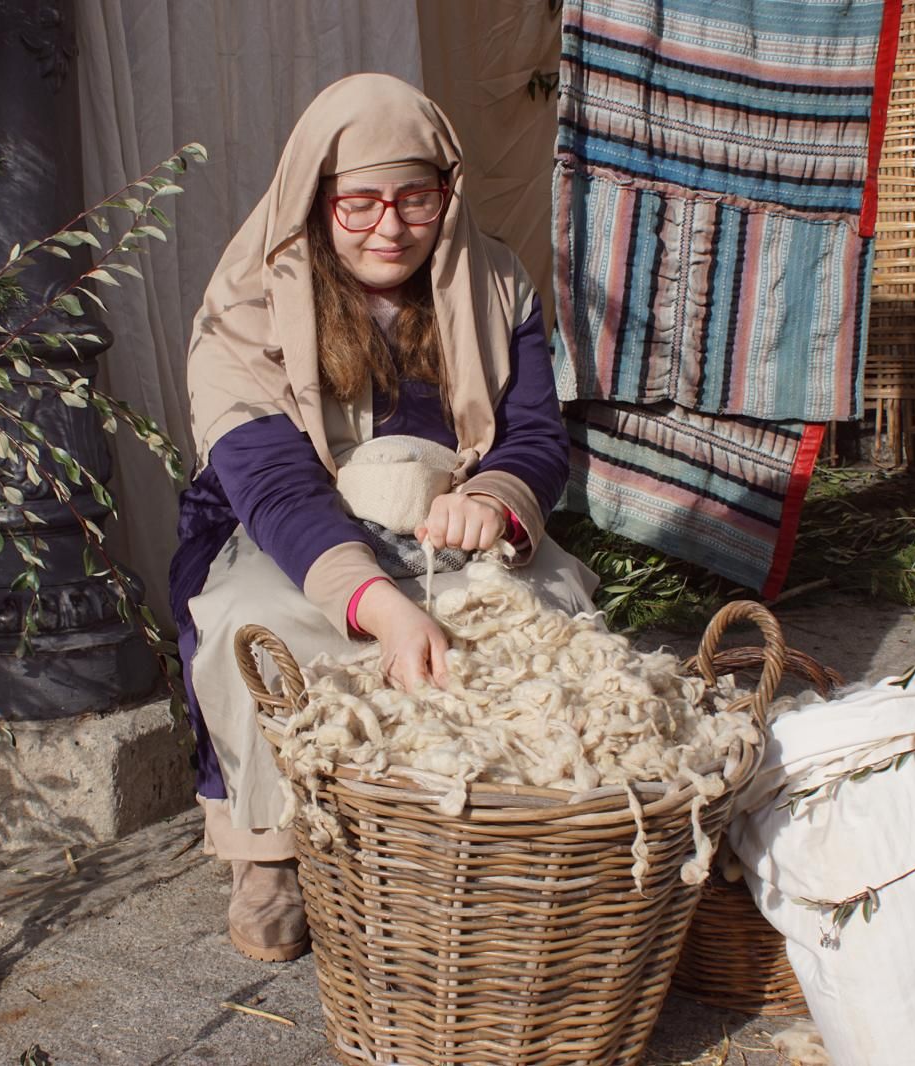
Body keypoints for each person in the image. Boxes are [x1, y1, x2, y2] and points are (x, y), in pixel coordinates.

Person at [169, 73, 597, 963]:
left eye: (415, 199)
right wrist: (380, 602)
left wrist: (494, 498)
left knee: (554, 609)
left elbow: (533, 436)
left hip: (448, 524)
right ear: (316, 198)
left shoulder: (497, 282)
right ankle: (272, 853)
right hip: (294, 530)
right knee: (253, 630)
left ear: (449, 191)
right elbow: (275, 485)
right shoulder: (243, 312)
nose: (391, 227)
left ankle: (517, 823)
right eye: (359, 203)